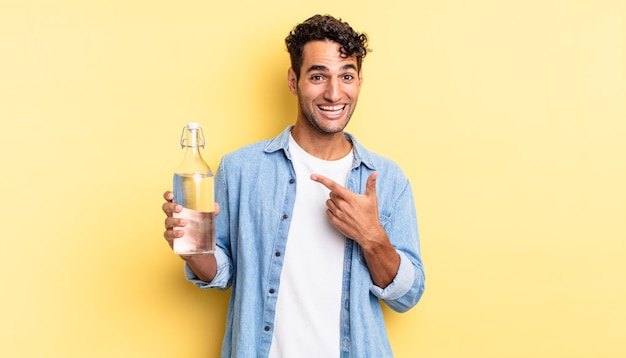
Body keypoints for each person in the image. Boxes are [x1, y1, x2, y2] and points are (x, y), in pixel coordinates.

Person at [162, 14, 425, 357]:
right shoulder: (241, 169)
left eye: (346, 76)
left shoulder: (387, 179)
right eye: (318, 76)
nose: (334, 93)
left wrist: (372, 236)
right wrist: (193, 248)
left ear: (359, 80)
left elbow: (408, 295)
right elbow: (221, 272)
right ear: (293, 80)